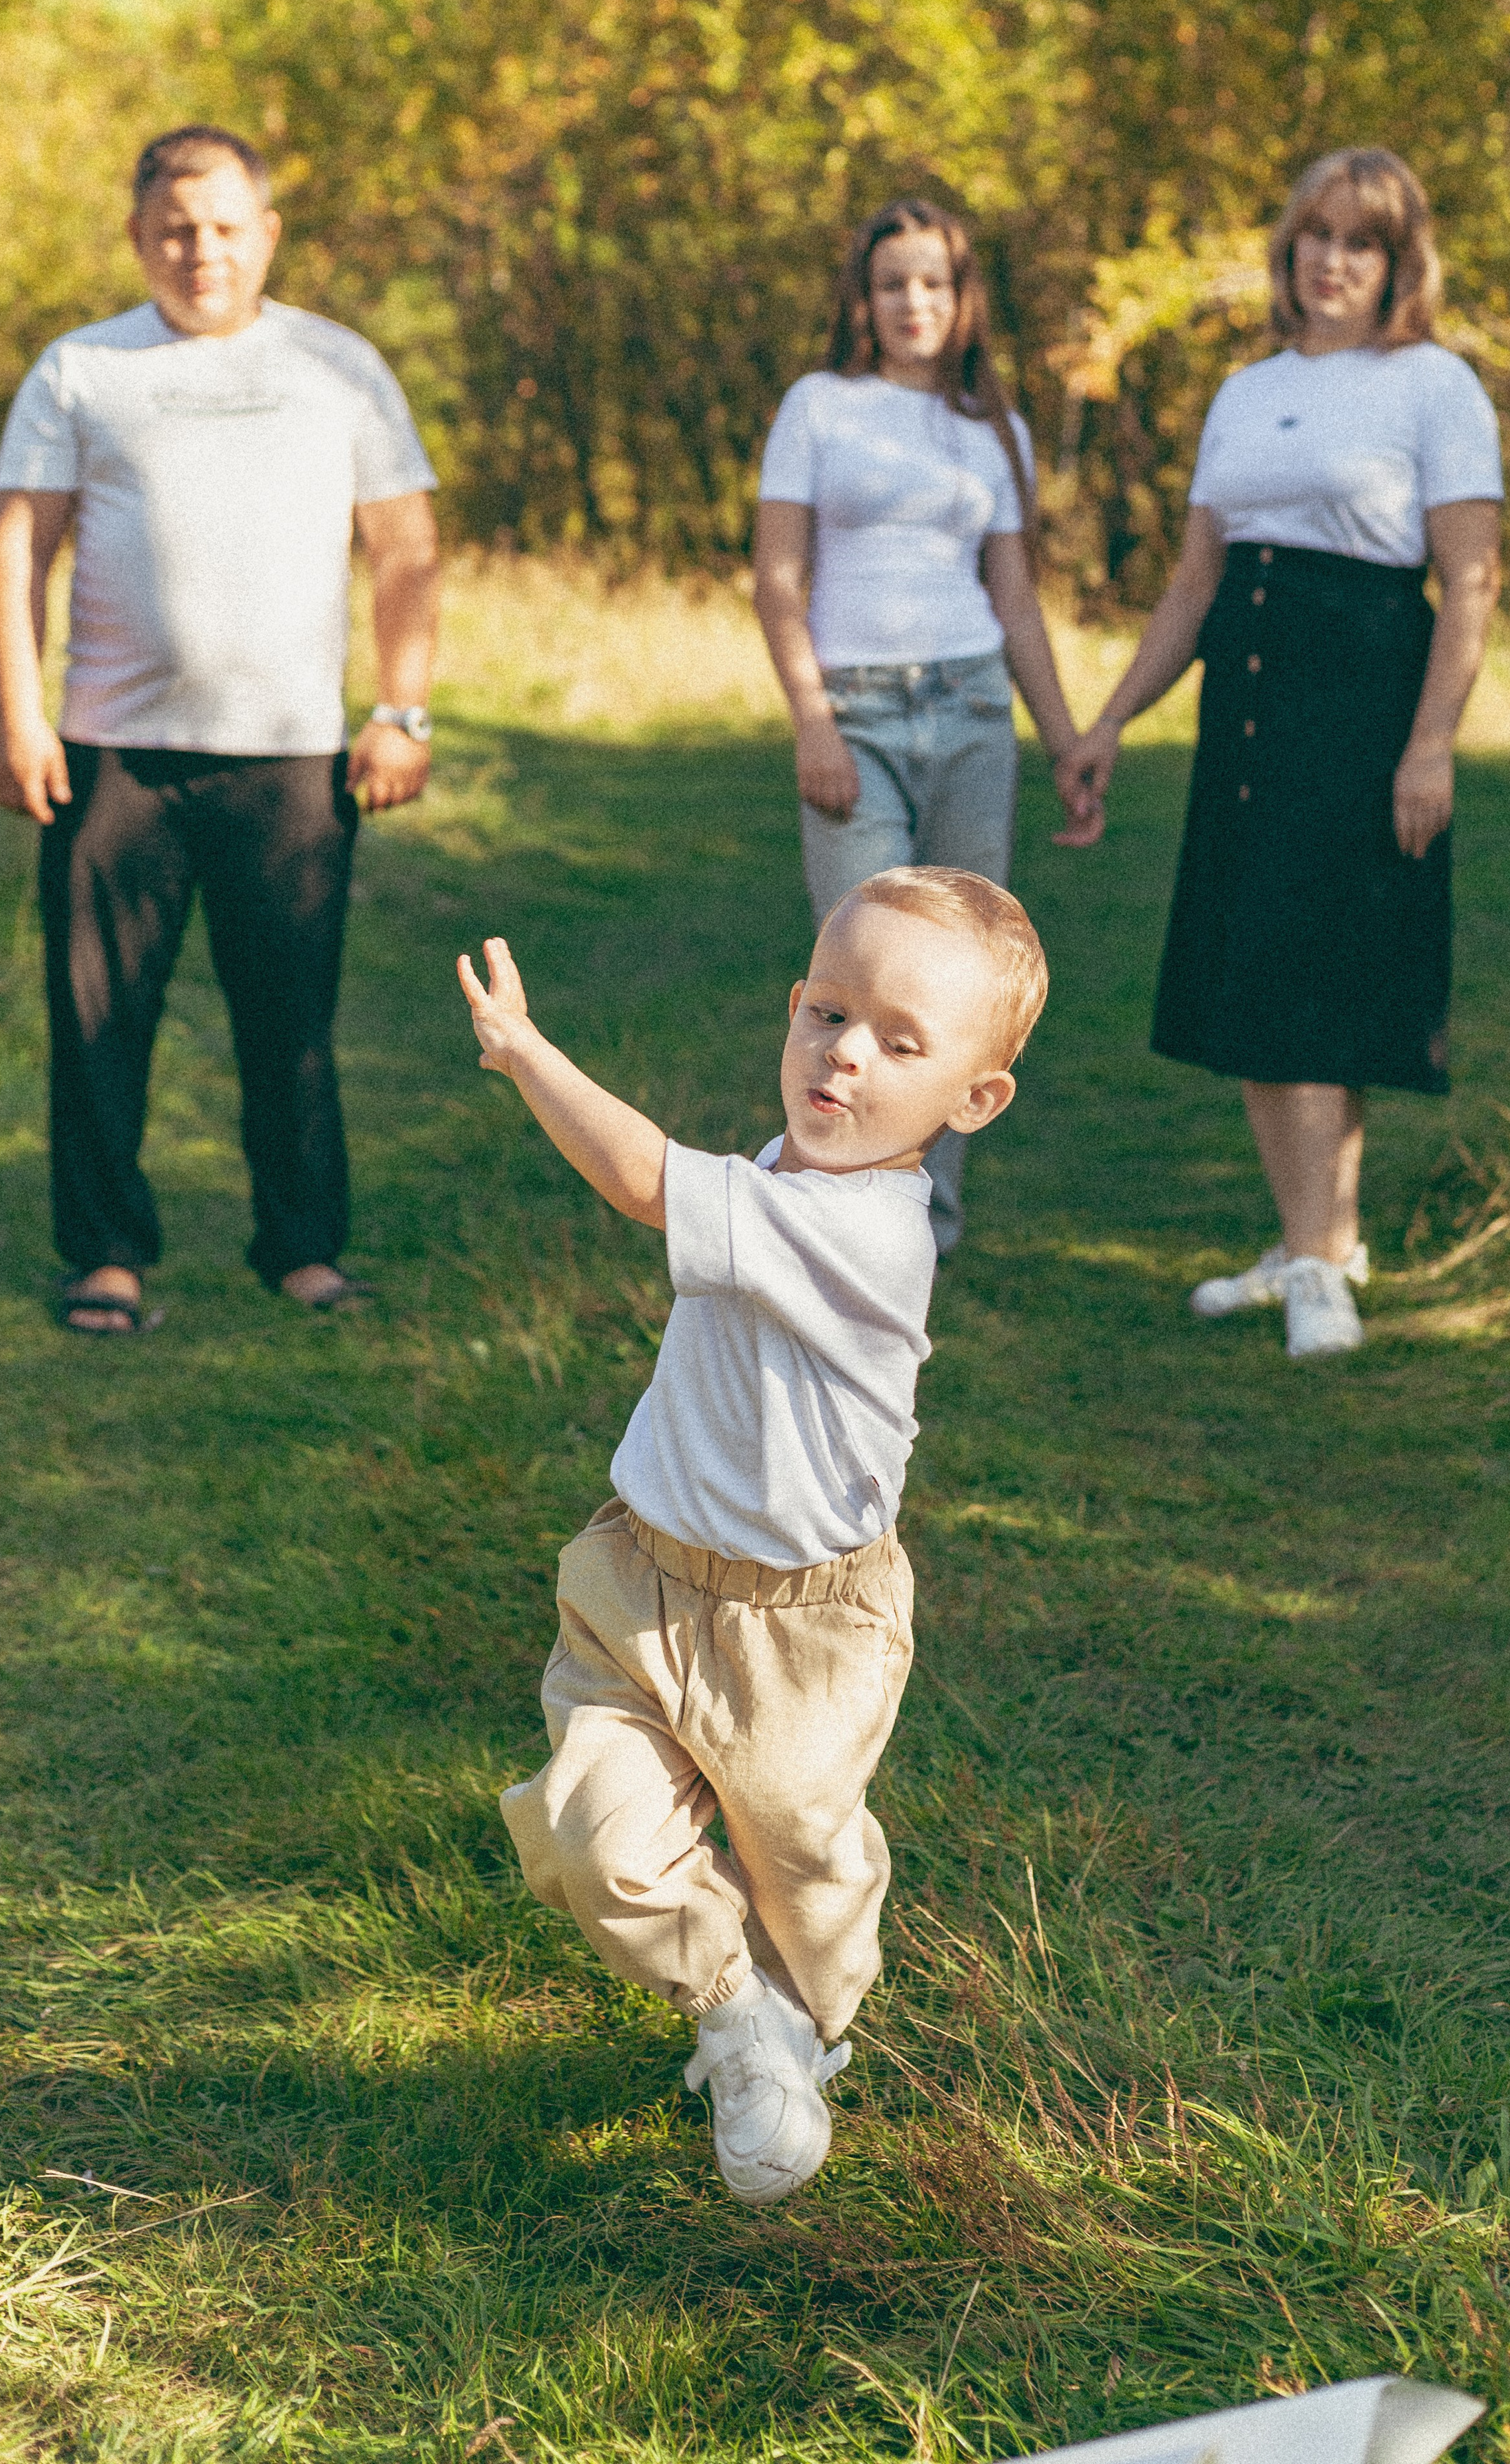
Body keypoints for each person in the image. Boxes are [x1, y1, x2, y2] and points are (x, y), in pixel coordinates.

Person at [457, 867, 1048, 2201]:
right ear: (791, 1010)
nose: (845, 1054)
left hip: (804, 1623)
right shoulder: (793, 1160)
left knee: (800, 1857)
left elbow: (642, 1181)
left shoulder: (867, 1227)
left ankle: (799, 2024)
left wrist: (529, 1054)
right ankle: (735, 2018)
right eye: (827, 1014)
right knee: (588, 1840)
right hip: (639, 1578)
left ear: (973, 1100)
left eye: (900, 1043)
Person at [0, 125, 441, 1333]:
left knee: (289, 1026)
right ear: (139, 237)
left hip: (291, 757)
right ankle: (106, 1257)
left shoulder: (338, 367)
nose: (202, 252)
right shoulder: (81, 369)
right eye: (176, 230)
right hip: (112, 756)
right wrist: (19, 717)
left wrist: (402, 710)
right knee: (97, 1022)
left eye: (227, 227)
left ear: (267, 235)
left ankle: (301, 1248)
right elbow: (17, 544)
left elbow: (405, 550)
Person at [1066, 148, 1503, 1357]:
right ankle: (1317, 1245)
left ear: (1397, 263)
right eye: (1315, 235)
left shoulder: (1436, 385)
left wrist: (1431, 747)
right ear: (1288, 249)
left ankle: (1319, 1261)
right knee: (1259, 975)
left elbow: (1470, 578)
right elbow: (1199, 580)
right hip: (1249, 705)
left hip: (1363, 704)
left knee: (1327, 976)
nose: (1331, 261)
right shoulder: (1246, 393)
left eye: (1359, 242)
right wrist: (1109, 723)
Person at [753, 197, 1092, 1254]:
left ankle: (920, 1223)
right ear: (864, 297)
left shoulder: (994, 430)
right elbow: (776, 578)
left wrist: (1067, 739)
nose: (914, 303)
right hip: (855, 715)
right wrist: (813, 722)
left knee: (953, 990)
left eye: (935, 283)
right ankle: (828, 1212)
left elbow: (1019, 602)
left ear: (963, 299)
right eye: (894, 282)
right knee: (856, 980)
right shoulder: (817, 407)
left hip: (972, 712)